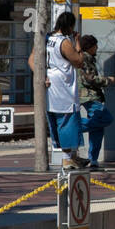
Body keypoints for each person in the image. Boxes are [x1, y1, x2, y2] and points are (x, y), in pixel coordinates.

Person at [28, 12, 87, 169]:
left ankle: (73, 156)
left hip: (48, 86)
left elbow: (31, 59)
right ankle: (68, 158)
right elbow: (79, 61)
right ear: (69, 26)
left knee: (55, 120)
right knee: (67, 121)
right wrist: (78, 43)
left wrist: (42, 75)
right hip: (64, 87)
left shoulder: (45, 38)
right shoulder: (64, 42)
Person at [76, 35, 115, 170]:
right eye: (95, 45)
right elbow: (89, 79)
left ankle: (93, 160)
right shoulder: (85, 58)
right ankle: (75, 127)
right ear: (90, 46)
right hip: (89, 97)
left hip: (92, 96)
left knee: (98, 129)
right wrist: (107, 80)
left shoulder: (88, 58)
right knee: (106, 118)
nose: (97, 48)